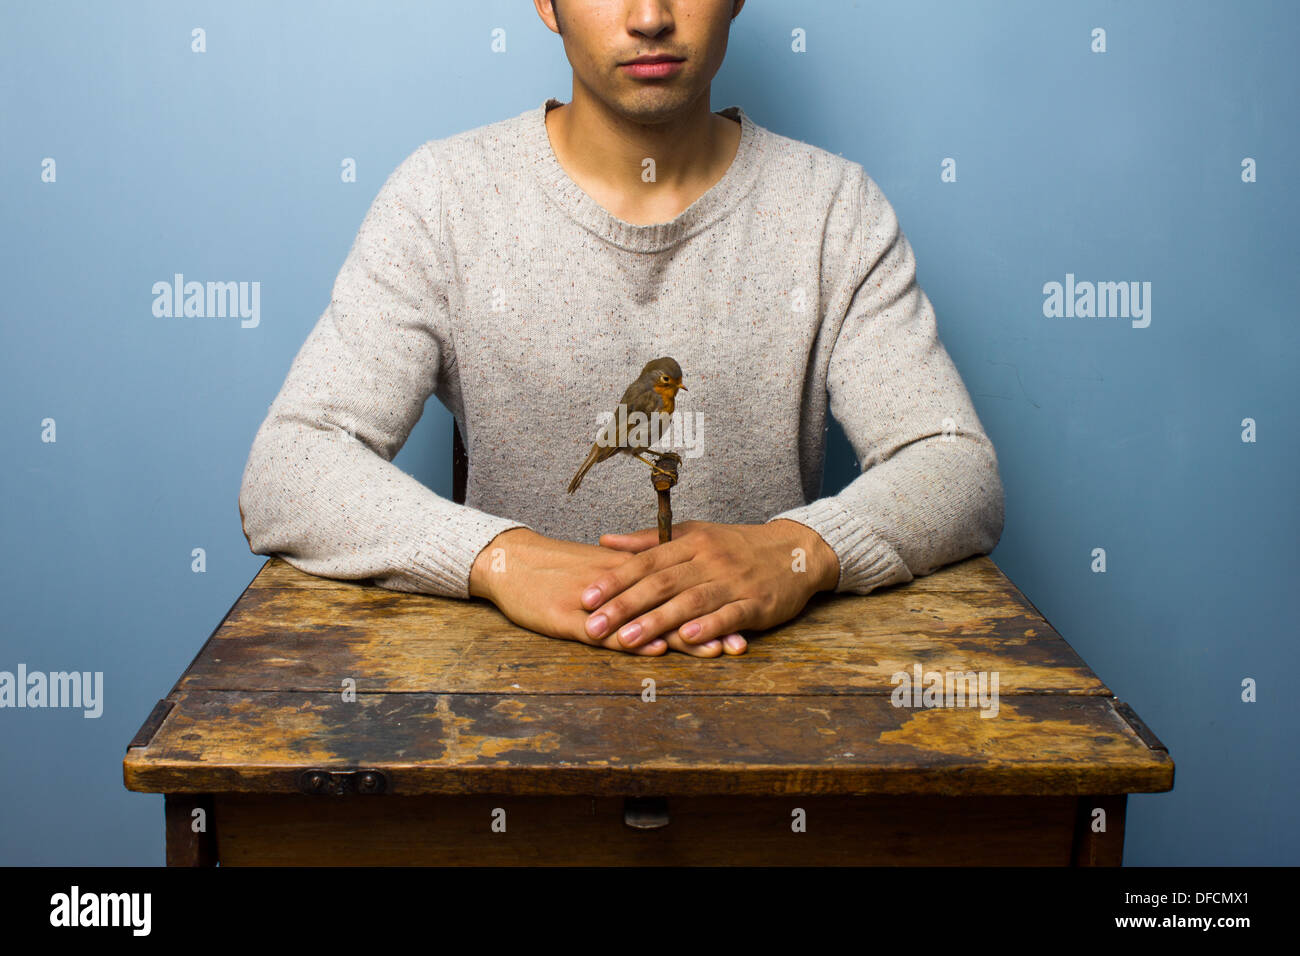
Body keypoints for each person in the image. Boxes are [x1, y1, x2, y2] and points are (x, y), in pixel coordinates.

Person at [238, 0, 1005, 659]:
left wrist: (796, 552)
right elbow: (291, 466)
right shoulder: (442, 199)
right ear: (545, 0)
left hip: (766, 711)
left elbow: (956, 467)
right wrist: (503, 559)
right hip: (504, 719)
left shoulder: (834, 208)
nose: (650, 18)